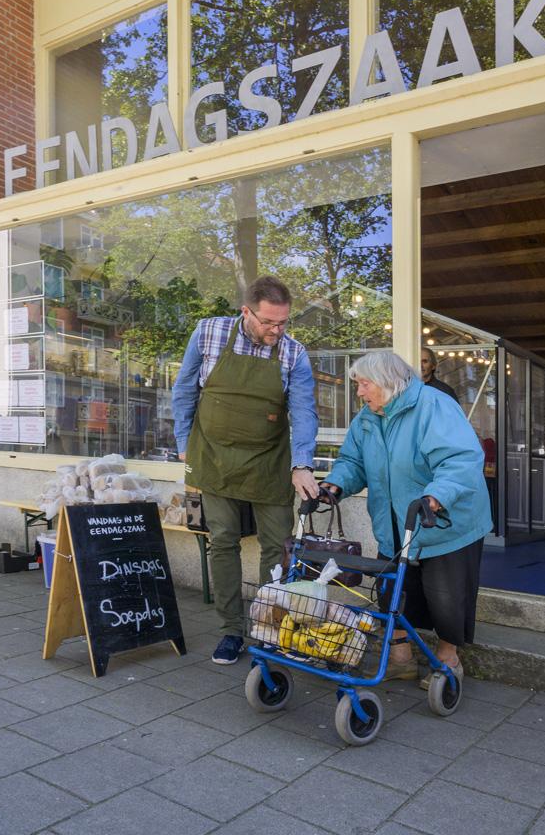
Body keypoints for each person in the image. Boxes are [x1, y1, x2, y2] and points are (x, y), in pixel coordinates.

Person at [321, 349, 492, 686]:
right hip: (395, 524)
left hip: (444, 523)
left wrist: (436, 497)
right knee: (392, 592)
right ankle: (400, 658)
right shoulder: (368, 416)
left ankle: (448, 660)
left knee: (446, 596)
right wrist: (335, 485)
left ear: (388, 382)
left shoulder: (433, 405)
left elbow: (460, 459)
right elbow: (353, 462)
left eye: (363, 384)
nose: (359, 392)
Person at [172, 275, 319, 664]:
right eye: (269, 322)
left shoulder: (293, 353)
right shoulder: (208, 333)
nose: (277, 330)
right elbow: (185, 388)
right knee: (222, 542)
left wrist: (302, 464)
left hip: (269, 459)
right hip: (213, 456)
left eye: (284, 322)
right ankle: (231, 630)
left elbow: (304, 411)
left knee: (277, 545)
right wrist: (183, 443)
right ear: (246, 311)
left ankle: (269, 629)